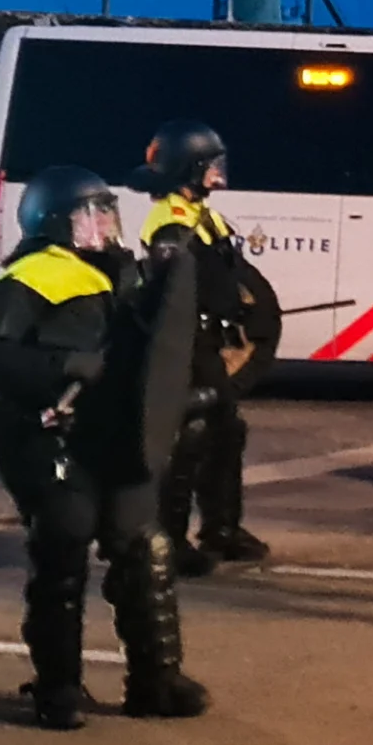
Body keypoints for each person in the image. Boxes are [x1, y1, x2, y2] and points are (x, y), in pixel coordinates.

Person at [0, 166, 203, 729]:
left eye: (107, 214)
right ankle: (58, 687)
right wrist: (67, 366)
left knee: (142, 546)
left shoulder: (123, 275)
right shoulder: (27, 279)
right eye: (87, 217)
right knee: (64, 547)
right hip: (47, 437)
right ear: (54, 225)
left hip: (112, 438)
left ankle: (156, 680)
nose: (102, 227)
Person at [140, 121, 281, 577]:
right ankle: (170, 538)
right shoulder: (170, 222)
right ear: (188, 168)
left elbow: (232, 275)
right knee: (189, 438)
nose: (219, 173)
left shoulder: (205, 216)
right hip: (187, 342)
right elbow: (169, 289)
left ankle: (222, 529)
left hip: (212, 340)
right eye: (210, 165)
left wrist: (253, 313)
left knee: (226, 432)